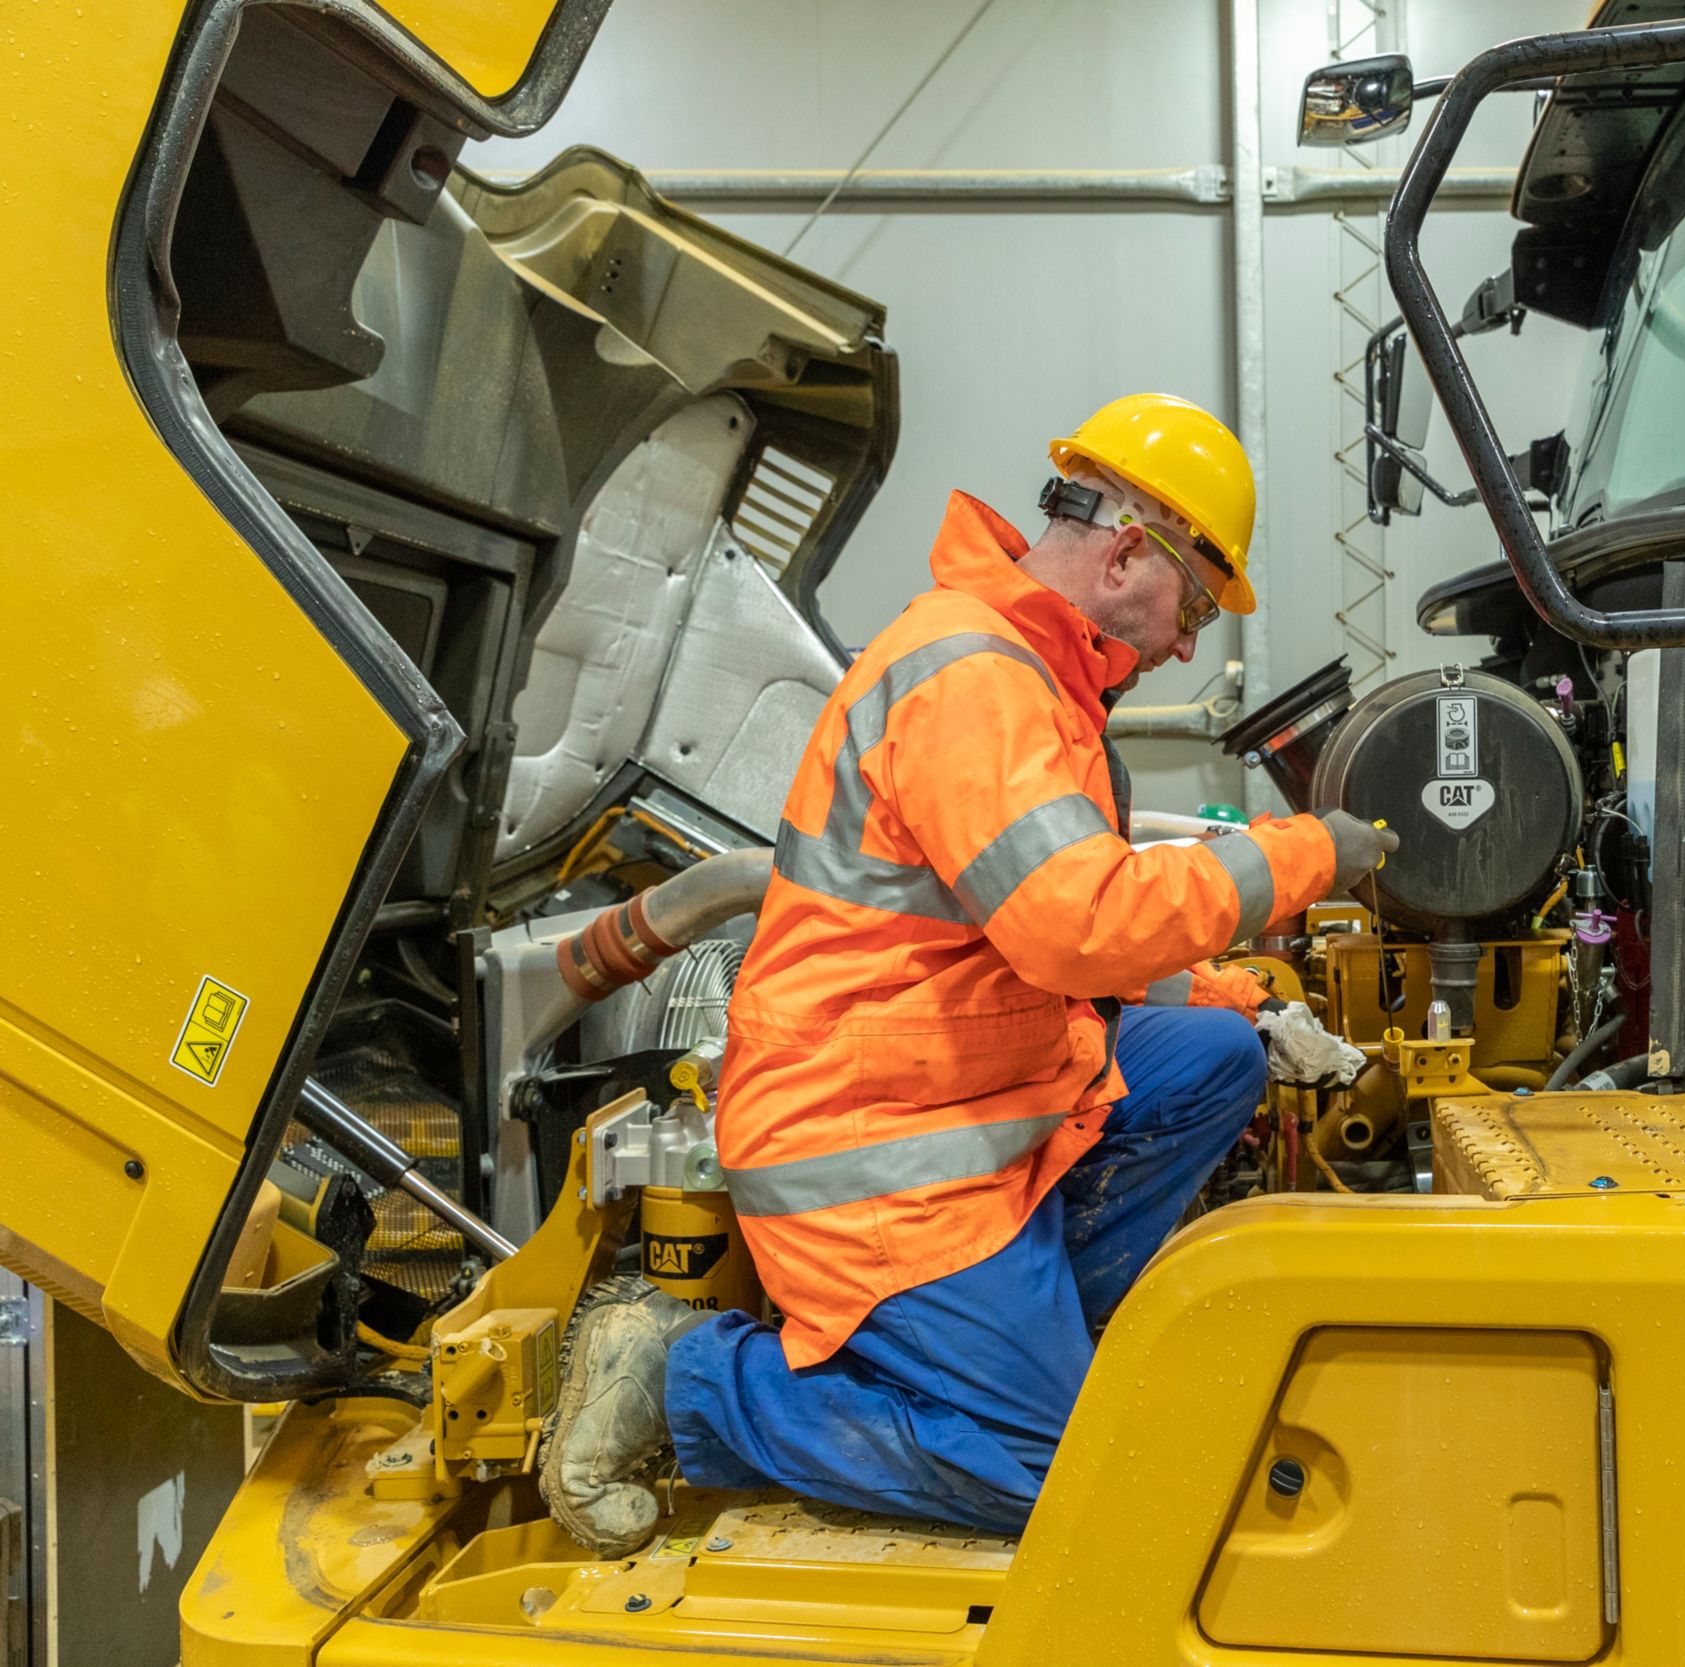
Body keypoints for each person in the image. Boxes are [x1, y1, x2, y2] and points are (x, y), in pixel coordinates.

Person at [538, 393, 1399, 1553]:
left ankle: (1026, 1345)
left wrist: (1230, 994)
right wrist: (1305, 854)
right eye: (1194, 603)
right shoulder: (978, 680)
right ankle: (695, 1381)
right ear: (1129, 551)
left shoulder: (1034, 674)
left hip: (951, 1077)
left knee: (1205, 1057)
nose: (1188, 643)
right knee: (1051, 1470)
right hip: (867, 1137)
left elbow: (1020, 941)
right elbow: (1074, 924)